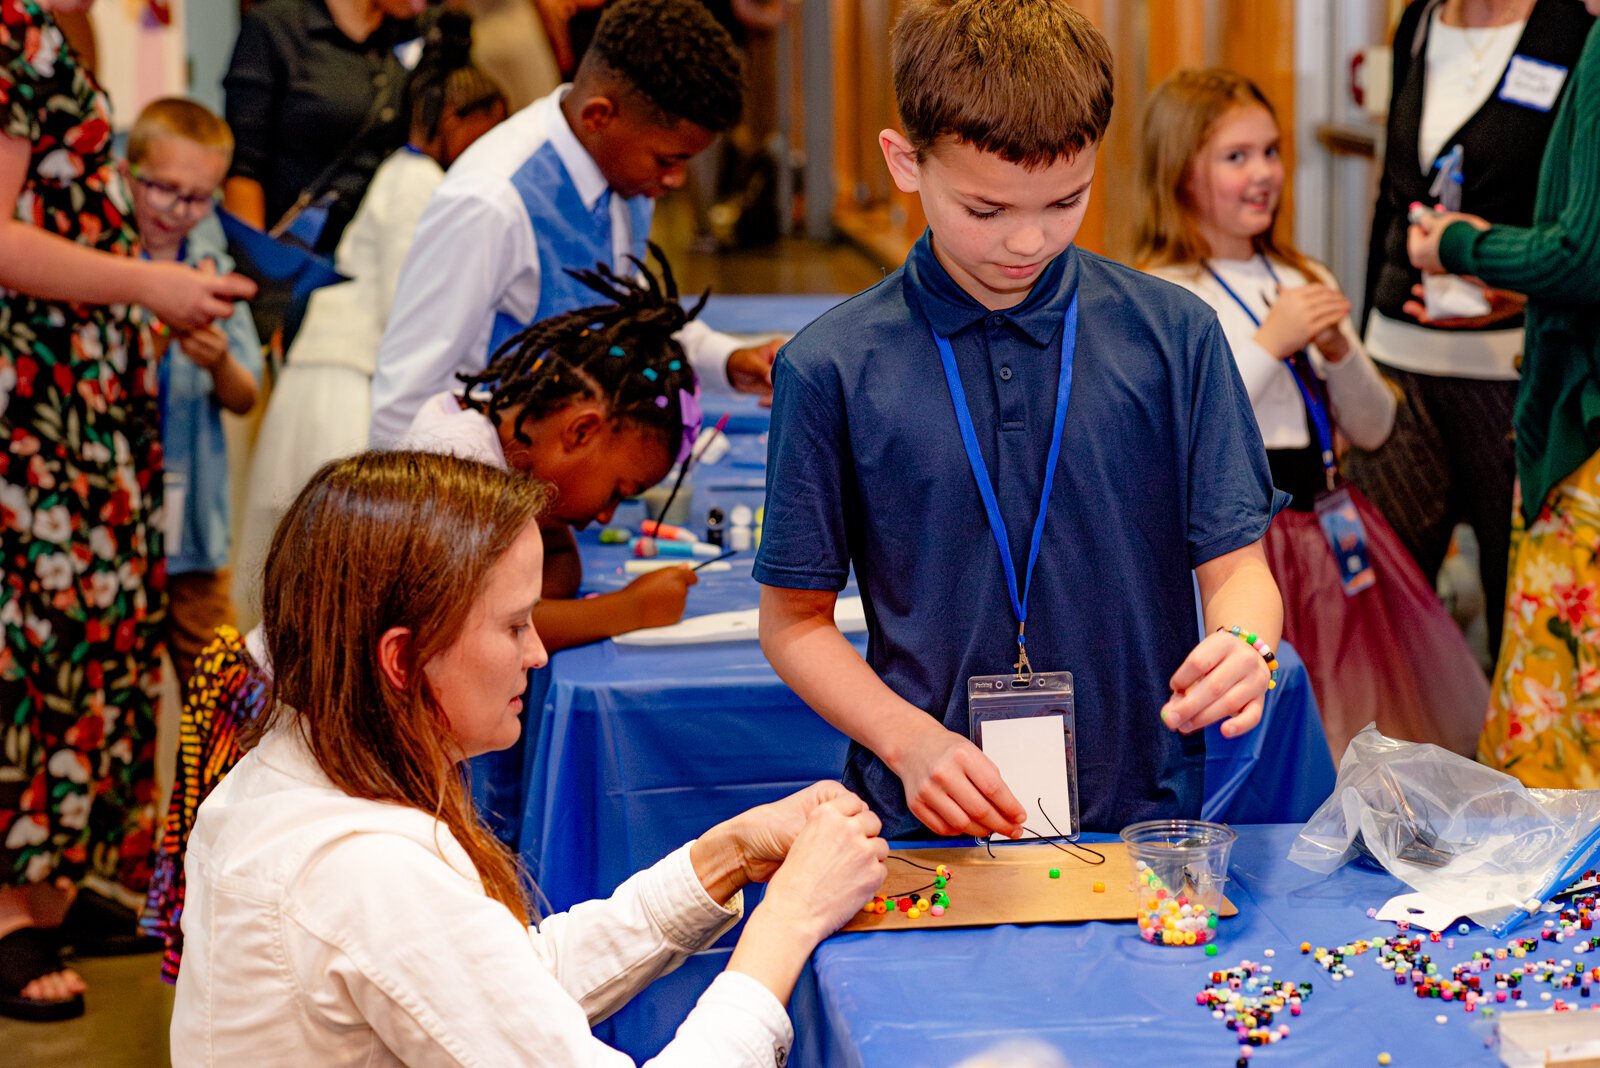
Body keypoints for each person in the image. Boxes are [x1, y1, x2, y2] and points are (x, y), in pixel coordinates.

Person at [755, 0, 1285, 841]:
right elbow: (792, 623)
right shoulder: (831, 366)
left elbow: (1237, 570)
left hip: (1141, 811)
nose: (1028, 242)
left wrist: (1246, 645)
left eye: (1066, 201)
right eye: (986, 211)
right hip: (926, 813)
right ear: (904, 161)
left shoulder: (1174, 335)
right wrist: (909, 741)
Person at [170, 449, 887, 1064]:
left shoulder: (290, 774)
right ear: (401, 658)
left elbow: (503, 987)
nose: (538, 653)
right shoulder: (365, 871)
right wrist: (788, 922)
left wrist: (724, 855)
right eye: (515, 626)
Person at [0, 0, 255, 1022]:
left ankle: (55, 883)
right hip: (41, 409)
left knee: (97, 648)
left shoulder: (53, 27)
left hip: (88, 408)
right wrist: (148, 286)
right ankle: (12, 912)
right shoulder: (13, 30)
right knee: (41, 651)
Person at [1134, 69, 1489, 761]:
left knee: (1352, 710)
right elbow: (1168, 430)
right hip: (1237, 545)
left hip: (1328, 536)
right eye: (1236, 157)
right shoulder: (1161, 293)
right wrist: (1273, 342)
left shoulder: (1304, 275)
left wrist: (1338, 352)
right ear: (1179, 173)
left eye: (1271, 151)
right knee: (1265, 716)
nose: (1263, 173)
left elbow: (1374, 428)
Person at [369, 0, 781, 447]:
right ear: (598, 115)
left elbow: (625, 318)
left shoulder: (620, 172)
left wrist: (728, 360)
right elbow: (401, 415)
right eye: (667, 160)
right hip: (480, 496)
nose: (675, 180)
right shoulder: (489, 202)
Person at [1347, 0, 1593, 664]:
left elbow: (1579, 231)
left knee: (1517, 614)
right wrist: (1358, 362)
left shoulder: (1576, 25)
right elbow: (1390, 202)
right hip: (1398, 363)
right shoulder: (1420, 20)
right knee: (1386, 616)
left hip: (1510, 371)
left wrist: (1514, 287)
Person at [236, 59, 508, 618]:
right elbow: (407, 307)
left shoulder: (407, 175)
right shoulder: (420, 184)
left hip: (345, 367)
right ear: (454, 119)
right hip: (346, 378)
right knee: (339, 566)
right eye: (487, 128)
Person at [1409, 3, 1600, 788]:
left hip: (1580, 434)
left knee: (1558, 720)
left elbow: (1582, 253)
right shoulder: (1420, 26)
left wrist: (1456, 245)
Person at [398, 247, 706, 650]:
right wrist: (631, 609)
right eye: (617, 492)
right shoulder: (456, 461)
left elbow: (558, 566)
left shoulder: (511, 454)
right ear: (581, 432)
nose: (605, 515)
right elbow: (467, 628)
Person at [126, 98, 264, 699]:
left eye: (200, 198)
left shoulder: (212, 268)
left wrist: (218, 361)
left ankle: (213, 796)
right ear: (127, 175)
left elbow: (245, 394)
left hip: (195, 542)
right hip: (116, 528)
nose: (180, 211)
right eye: (164, 191)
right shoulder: (97, 264)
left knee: (225, 701)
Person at [221, 0, 429, 252]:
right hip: (300, 250)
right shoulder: (278, 26)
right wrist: (257, 262)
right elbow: (245, 166)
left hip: (381, 248)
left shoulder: (418, 31)